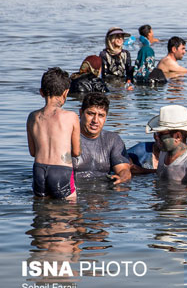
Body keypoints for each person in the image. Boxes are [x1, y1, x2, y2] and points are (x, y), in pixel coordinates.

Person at [26, 67, 80, 199]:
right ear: (65, 93)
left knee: (41, 214)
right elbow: (77, 152)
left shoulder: (32, 117)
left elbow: (33, 152)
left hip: (39, 169)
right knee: (69, 211)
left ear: (41, 92)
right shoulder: (71, 116)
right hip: (62, 170)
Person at [146, 105, 187, 192]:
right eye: (155, 134)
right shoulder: (164, 152)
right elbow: (165, 173)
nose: (156, 138)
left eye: (160, 135)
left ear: (177, 137)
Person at [72, 92, 131, 185]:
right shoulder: (67, 138)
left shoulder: (112, 140)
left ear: (106, 117)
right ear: (80, 113)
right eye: (91, 114)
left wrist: (122, 178)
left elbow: (124, 169)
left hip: (104, 194)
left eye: (101, 115)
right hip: (76, 194)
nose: (95, 120)